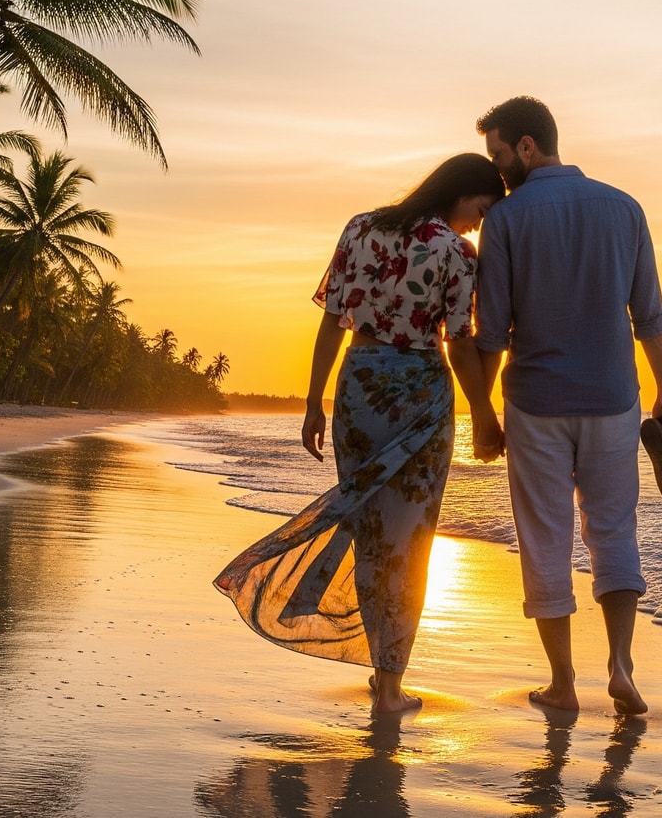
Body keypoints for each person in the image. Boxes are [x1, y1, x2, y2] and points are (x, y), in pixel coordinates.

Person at [214, 153, 506, 714]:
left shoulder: (361, 227)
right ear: (463, 192)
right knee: (409, 540)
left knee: (369, 531)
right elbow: (461, 342)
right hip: (421, 392)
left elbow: (331, 320)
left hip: (358, 386)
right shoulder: (454, 251)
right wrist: (485, 415)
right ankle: (390, 685)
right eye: (481, 209)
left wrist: (314, 401)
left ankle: (382, 672)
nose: (478, 224)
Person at [471, 96, 662, 716]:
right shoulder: (625, 208)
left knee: (545, 539)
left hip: (535, 403)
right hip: (613, 399)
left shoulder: (506, 221)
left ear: (528, 147)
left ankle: (563, 684)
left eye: (501, 153)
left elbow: (491, 332)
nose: (498, 169)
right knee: (613, 532)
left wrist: (482, 412)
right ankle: (620, 666)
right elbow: (650, 314)